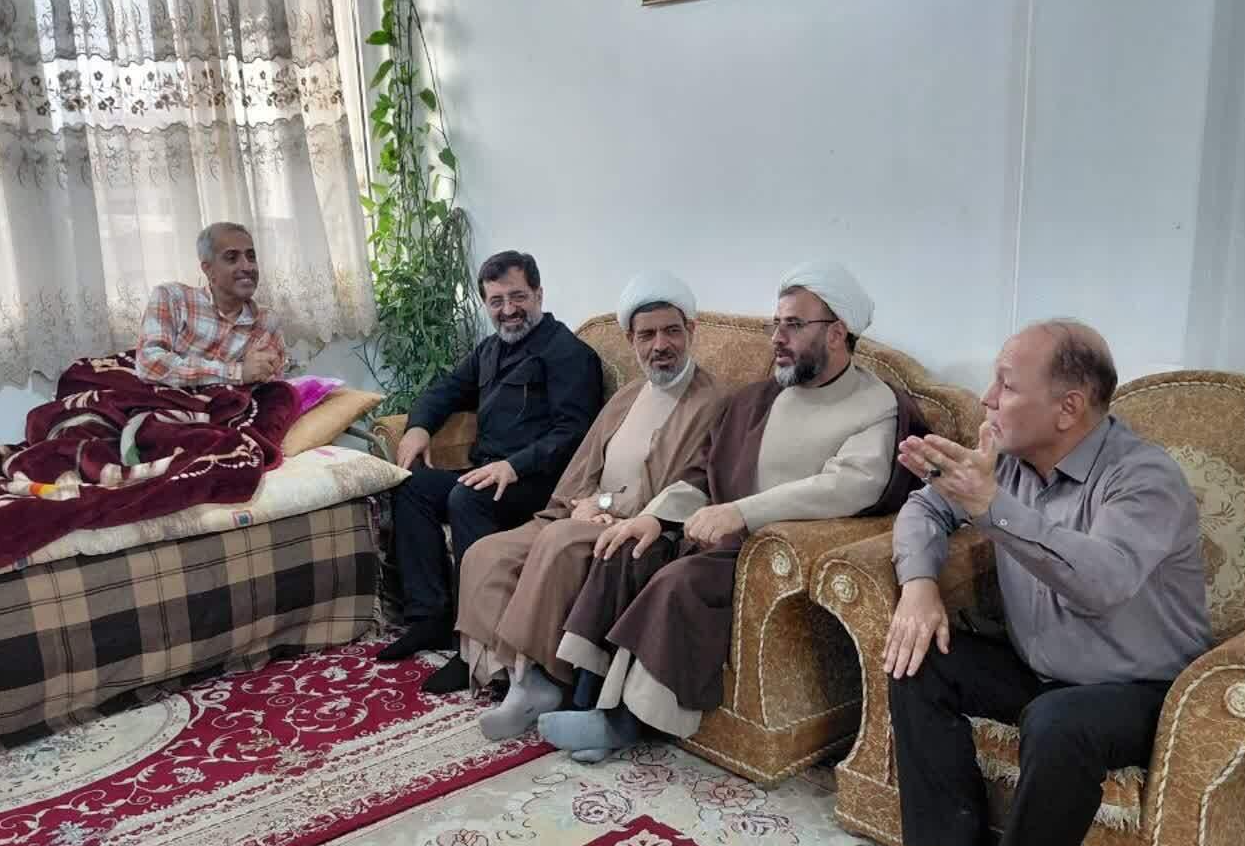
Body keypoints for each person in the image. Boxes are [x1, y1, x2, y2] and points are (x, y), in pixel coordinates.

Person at [885, 320, 1211, 846]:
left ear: (1068, 408)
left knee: (1059, 722)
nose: (986, 399)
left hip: (1138, 688)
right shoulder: (1008, 461)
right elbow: (924, 507)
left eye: (1006, 386)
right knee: (919, 660)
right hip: (1038, 669)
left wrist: (990, 506)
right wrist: (919, 584)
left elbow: (1102, 581)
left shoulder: (1143, 478)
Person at [539, 262, 924, 759]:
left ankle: (625, 723)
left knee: (680, 583)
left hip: (779, 553)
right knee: (629, 548)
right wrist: (655, 516)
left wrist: (741, 511)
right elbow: (705, 470)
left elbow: (847, 487)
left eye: (793, 325)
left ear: (837, 332)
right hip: (721, 534)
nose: (777, 338)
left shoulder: (878, 406)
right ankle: (587, 695)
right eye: (776, 324)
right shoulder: (759, 399)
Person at [442, 270, 729, 713]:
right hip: (584, 513)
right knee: (486, 553)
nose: (660, 345)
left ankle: (540, 677)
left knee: (559, 542)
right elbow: (584, 462)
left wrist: (604, 507)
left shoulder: (713, 401)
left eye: (672, 331)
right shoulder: (628, 394)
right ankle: (508, 674)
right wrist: (579, 505)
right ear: (631, 340)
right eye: (647, 335)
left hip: (635, 526)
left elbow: (689, 483)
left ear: (691, 331)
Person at [377, 250, 605, 664]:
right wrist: (418, 427)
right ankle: (430, 617)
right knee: (412, 484)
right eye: (496, 301)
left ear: (539, 294)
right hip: (488, 471)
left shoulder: (568, 353)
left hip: (541, 481)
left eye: (518, 297)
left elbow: (574, 433)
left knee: (467, 497)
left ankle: (473, 642)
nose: (508, 310)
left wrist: (515, 466)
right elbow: (444, 390)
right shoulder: (489, 350)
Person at [135, 222, 287, 386]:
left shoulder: (267, 321)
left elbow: (276, 382)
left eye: (251, 257)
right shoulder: (173, 298)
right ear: (208, 270)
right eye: (232, 258)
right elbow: (149, 364)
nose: (247, 266)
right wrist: (237, 372)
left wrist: (262, 371)